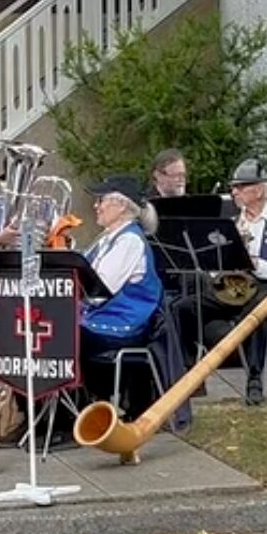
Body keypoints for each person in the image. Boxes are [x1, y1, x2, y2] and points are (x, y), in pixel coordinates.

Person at [209, 159, 267, 406]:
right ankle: (185, 374)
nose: (234, 192)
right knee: (184, 306)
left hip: (265, 285)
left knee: (257, 312)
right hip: (233, 284)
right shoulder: (233, 222)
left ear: (258, 190)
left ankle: (254, 379)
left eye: (240, 187)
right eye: (233, 187)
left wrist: (255, 264)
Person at [78, 176, 165, 418]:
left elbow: (100, 287)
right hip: (104, 314)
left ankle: (91, 406)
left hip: (124, 323)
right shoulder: (108, 237)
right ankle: (83, 406)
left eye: (101, 200)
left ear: (122, 206)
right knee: (53, 331)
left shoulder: (129, 240)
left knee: (66, 335)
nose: (96, 206)